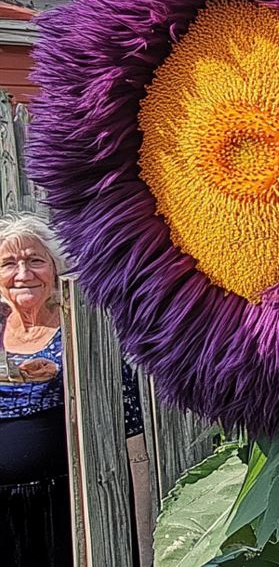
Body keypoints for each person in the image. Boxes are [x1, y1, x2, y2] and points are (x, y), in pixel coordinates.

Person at [0, 213, 151, 566]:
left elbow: (122, 406)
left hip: (66, 502)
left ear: (55, 268)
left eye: (35, 261)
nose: (23, 274)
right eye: (9, 263)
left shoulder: (79, 326)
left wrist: (66, 375)